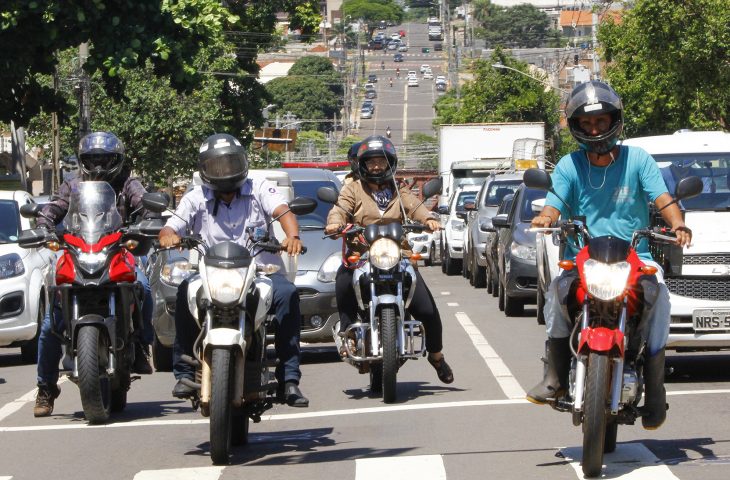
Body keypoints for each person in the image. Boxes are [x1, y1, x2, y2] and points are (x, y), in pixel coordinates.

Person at [526, 81, 691, 430]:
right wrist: (545, 217)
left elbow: (662, 198)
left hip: (635, 257)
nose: (595, 129)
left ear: (614, 119)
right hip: (584, 258)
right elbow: (555, 202)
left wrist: (677, 225)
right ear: (576, 127)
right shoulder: (570, 165)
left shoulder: (638, 160)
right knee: (556, 295)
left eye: (601, 120)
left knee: (660, 298)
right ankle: (554, 376)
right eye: (587, 123)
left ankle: (656, 388)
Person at [159, 133, 309, 407]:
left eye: (230, 164)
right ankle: (183, 373)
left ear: (242, 164)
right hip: (210, 274)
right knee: (182, 292)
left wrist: (292, 237)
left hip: (261, 271)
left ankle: (289, 379)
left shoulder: (259, 187)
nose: (225, 172)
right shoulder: (195, 196)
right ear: (206, 169)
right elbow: (173, 225)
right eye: (218, 167)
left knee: (287, 295)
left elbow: (283, 211)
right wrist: (169, 235)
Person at [33, 131, 154, 417]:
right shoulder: (72, 184)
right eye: (92, 159)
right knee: (51, 322)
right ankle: (46, 387)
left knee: (145, 288)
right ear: (83, 161)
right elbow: (54, 208)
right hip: (79, 250)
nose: (98, 165)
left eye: (105, 159)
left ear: (117, 160)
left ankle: (142, 344)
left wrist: (148, 218)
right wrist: (42, 223)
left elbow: (144, 204)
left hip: (117, 250)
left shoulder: (128, 182)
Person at [325, 135, 454, 384]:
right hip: (362, 254)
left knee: (427, 309)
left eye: (381, 162)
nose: (376, 167)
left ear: (390, 163)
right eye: (371, 162)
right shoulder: (352, 187)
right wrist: (335, 223)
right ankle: (348, 333)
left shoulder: (399, 187)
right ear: (362, 164)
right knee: (342, 281)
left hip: (398, 254)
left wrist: (428, 219)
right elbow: (340, 209)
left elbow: (415, 207)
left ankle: (437, 356)